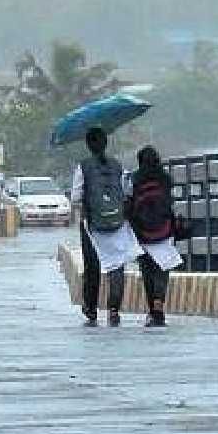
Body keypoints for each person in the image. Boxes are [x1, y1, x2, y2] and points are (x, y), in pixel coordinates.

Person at [72, 127, 142, 326]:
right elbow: (128, 192)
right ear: (105, 143)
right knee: (116, 265)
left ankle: (91, 309)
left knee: (92, 265)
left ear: (88, 145)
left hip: (92, 225)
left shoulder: (82, 167)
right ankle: (113, 310)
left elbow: (75, 197)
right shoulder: (118, 166)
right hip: (118, 222)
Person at [125, 145, 183, 327]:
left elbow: (127, 202)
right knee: (162, 268)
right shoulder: (166, 179)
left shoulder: (134, 179)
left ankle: (152, 310)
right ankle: (159, 304)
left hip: (141, 230)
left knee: (147, 269)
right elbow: (170, 201)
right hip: (164, 228)